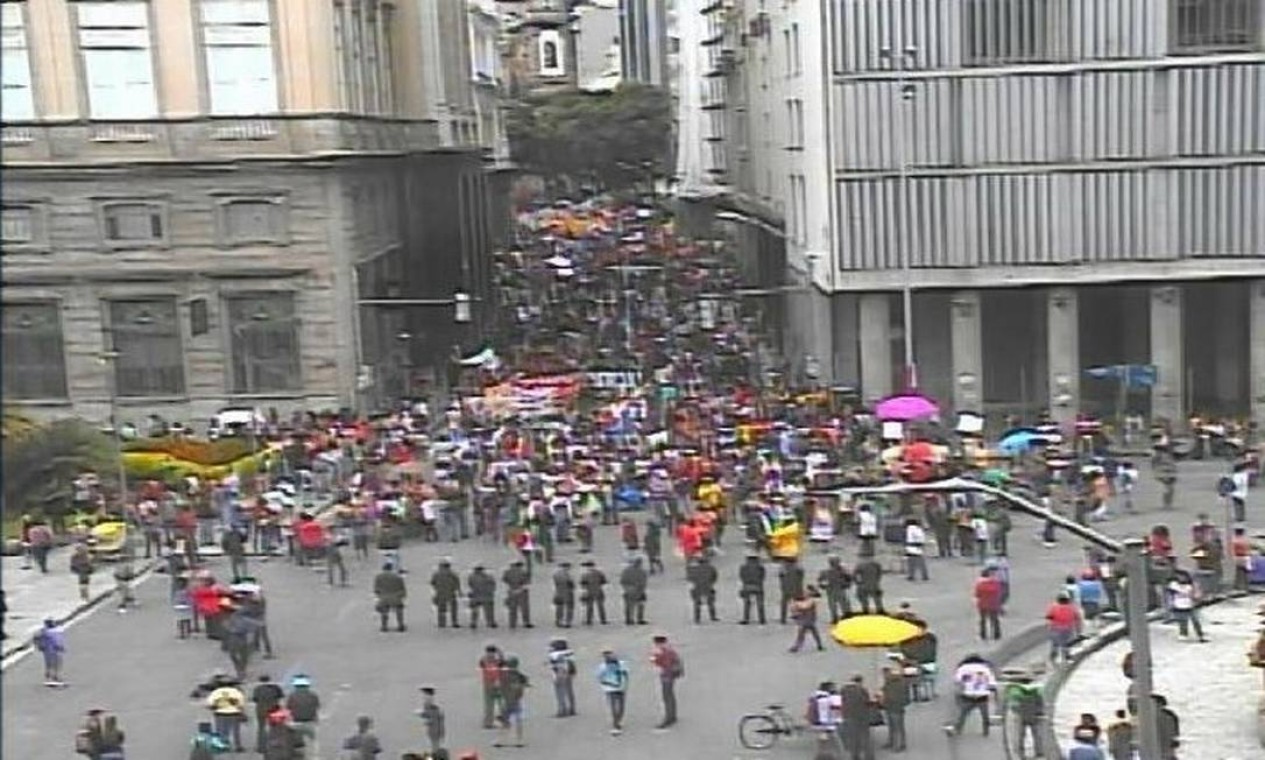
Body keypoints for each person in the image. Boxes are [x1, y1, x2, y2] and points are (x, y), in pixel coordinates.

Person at [946, 654, 996, 737]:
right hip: (982, 695)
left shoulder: (962, 668)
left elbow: (958, 681)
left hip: (968, 694)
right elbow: (992, 683)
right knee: (985, 715)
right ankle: (986, 731)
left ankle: (958, 729)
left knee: (962, 714)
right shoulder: (986, 669)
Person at [206, 673, 248, 752]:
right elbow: (241, 703)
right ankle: (237, 746)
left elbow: (210, 703)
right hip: (234, 713)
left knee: (221, 730)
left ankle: (223, 746)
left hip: (220, 713)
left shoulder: (216, 692)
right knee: (236, 731)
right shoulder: (236, 692)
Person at [493, 656, 528, 748]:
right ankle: (518, 740)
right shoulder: (518, 675)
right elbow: (523, 686)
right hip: (515, 701)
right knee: (517, 721)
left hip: (509, 701)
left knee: (506, 721)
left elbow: (498, 687)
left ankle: (500, 740)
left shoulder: (504, 675)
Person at [838, 674, 876, 760]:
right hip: (862, 716)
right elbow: (866, 702)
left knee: (853, 738)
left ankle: (855, 756)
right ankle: (869, 756)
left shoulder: (843, 690)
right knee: (865, 737)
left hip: (848, 716)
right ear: (860, 681)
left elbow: (841, 701)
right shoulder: (862, 690)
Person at [651, 634, 684, 728]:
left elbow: (663, 663)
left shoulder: (663, 651)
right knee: (670, 696)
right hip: (670, 675)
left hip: (666, 675)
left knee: (667, 696)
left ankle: (668, 718)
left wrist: (655, 658)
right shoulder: (670, 650)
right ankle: (672, 715)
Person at [285, 674, 321, 759]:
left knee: (296, 742)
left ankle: (299, 755)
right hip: (310, 721)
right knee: (314, 741)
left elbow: (288, 708)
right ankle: (315, 756)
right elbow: (317, 706)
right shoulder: (313, 695)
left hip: (296, 722)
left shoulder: (292, 695)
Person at [596, 648, 631, 735]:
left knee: (613, 706)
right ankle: (618, 720)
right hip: (621, 687)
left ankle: (616, 723)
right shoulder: (622, 664)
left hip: (609, 688)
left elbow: (599, 676)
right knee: (621, 705)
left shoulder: (602, 667)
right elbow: (626, 674)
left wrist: (602, 683)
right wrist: (626, 684)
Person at [1167, 569, 1208, 642]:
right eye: (1178, 576)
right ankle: (1183, 634)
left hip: (1190, 605)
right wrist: (1170, 604)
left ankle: (1200, 635)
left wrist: (1196, 596)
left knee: (1195, 621)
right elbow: (1170, 595)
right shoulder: (1173, 584)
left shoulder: (1191, 584)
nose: (1181, 578)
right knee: (1182, 621)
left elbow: (1197, 594)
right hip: (1178, 605)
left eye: (1182, 576)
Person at [251, 675, 286, 754]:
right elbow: (281, 696)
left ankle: (261, 747)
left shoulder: (257, 689)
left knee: (261, 728)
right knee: (276, 728)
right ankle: (276, 745)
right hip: (274, 709)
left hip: (261, 710)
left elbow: (255, 699)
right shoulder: (275, 687)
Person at [1046, 591, 1081, 664]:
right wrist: (1078, 630)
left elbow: (1049, 617)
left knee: (1055, 644)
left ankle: (1053, 658)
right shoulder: (1072, 607)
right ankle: (1066, 657)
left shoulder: (1054, 607)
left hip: (1056, 628)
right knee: (1066, 644)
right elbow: (1077, 618)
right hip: (1068, 629)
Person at [880, 666, 908, 751]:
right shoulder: (896, 682)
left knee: (896, 727)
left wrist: (883, 700)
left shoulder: (892, 683)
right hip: (895, 707)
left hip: (894, 707)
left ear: (887, 673)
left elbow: (890, 695)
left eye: (884, 674)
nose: (883, 676)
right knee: (895, 726)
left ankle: (898, 745)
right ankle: (895, 742)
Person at [547, 639, 578, 717]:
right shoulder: (570, 653)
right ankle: (572, 708)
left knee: (560, 693)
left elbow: (556, 665)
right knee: (569, 691)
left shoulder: (554, 655)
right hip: (569, 674)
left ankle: (562, 710)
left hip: (559, 674)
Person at [373, 563, 407, 633]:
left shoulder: (378, 577)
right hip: (396, 598)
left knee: (384, 611)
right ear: (391, 569)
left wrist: (379, 597)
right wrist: (402, 597)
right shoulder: (398, 577)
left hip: (384, 598)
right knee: (399, 610)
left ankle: (384, 626)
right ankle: (400, 625)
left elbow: (376, 590)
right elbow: (402, 589)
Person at [788, 588, 824, 653]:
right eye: (804, 593)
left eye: (807, 593)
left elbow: (805, 607)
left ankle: (797, 646)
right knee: (811, 633)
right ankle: (819, 645)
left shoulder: (811, 601)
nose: (805, 594)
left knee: (804, 633)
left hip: (808, 620)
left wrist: (796, 606)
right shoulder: (804, 601)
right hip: (807, 620)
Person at [34, 617, 67, 687]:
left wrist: (62, 646)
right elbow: (36, 638)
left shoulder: (58, 630)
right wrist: (40, 646)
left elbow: (59, 639)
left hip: (57, 649)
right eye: (49, 622)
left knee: (57, 664)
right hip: (49, 650)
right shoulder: (43, 631)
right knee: (50, 665)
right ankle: (49, 679)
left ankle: (56, 678)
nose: (51, 623)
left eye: (52, 622)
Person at [687, 555, 719, 623]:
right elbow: (715, 576)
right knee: (711, 602)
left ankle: (697, 618)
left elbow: (690, 578)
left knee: (696, 604)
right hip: (708, 586)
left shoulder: (693, 569)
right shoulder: (711, 568)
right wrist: (711, 583)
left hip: (697, 587)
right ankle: (712, 616)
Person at [974, 568, 1004, 641]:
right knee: (994, 620)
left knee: (983, 620)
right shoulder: (995, 583)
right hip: (993, 604)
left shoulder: (980, 584)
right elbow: (999, 593)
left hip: (983, 604)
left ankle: (983, 635)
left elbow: (977, 594)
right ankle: (996, 634)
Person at [478, 646, 504, 729]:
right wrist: (499, 652)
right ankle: (502, 719)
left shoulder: (483, 661)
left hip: (487, 683)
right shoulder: (496, 661)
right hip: (496, 683)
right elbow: (502, 662)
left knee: (489, 704)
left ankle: (488, 722)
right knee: (500, 702)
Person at [431, 559, 462, 628]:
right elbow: (457, 583)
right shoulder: (452, 574)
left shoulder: (436, 574)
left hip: (440, 593)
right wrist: (459, 592)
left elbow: (432, 583)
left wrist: (436, 589)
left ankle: (441, 623)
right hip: (451, 593)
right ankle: (454, 622)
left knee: (441, 610)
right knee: (453, 609)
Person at [739, 553, 768, 625]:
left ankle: (746, 618)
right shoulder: (760, 567)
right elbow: (763, 576)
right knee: (760, 603)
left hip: (747, 586)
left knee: (747, 603)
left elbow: (742, 576)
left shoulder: (744, 567)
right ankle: (762, 619)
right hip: (758, 586)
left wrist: (745, 582)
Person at [416, 688, 445, 756]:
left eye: (425, 694)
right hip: (435, 729)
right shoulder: (431, 704)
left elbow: (431, 716)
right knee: (435, 744)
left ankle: (435, 756)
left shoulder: (429, 703)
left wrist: (424, 717)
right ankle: (435, 755)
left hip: (434, 729)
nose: (424, 696)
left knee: (434, 745)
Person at [620, 557, 649, 625]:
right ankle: (640, 619)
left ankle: (629, 619)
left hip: (629, 590)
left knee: (629, 606)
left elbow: (622, 581)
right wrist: (641, 590)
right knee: (640, 606)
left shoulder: (626, 570)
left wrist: (626, 588)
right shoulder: (642, 571)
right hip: (639, 590)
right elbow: (644, 582)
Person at [467, 565, 497, 629]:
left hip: (476, 595)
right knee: (489, 610)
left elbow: (470, 584)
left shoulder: (472, 577)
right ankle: (490, 622)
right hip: (486, 596)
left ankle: (473, 622)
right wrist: (491, 592)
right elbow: (493, 585)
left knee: (475, 610)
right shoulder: (488, 576)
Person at [579, 560, 609, 625]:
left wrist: (583, 592)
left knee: (589, 606)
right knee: (600, 606)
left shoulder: (584, 574)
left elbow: (583, 584)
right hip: (598, 590)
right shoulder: (599, 573)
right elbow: (604, 581)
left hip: (589, 591)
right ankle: (603, 620)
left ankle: (589, 620)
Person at [778, 559, 805, 624]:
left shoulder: (783, 569)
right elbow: (802, 575)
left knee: (784, 604)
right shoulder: (798, 568)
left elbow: (780, 577)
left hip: (786, 588)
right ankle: (799, 618)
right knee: (799, 604)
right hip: (797, 587)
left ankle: (783, 619)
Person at [552, 561, 577, 628]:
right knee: (569, 607)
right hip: (568, 592)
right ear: (567, 567)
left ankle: (559, 620)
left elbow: (555, 582)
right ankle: (568, 622)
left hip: (558, 591)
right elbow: (571, 583)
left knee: (559, 607)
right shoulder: (568, 574)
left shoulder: (556, 574)